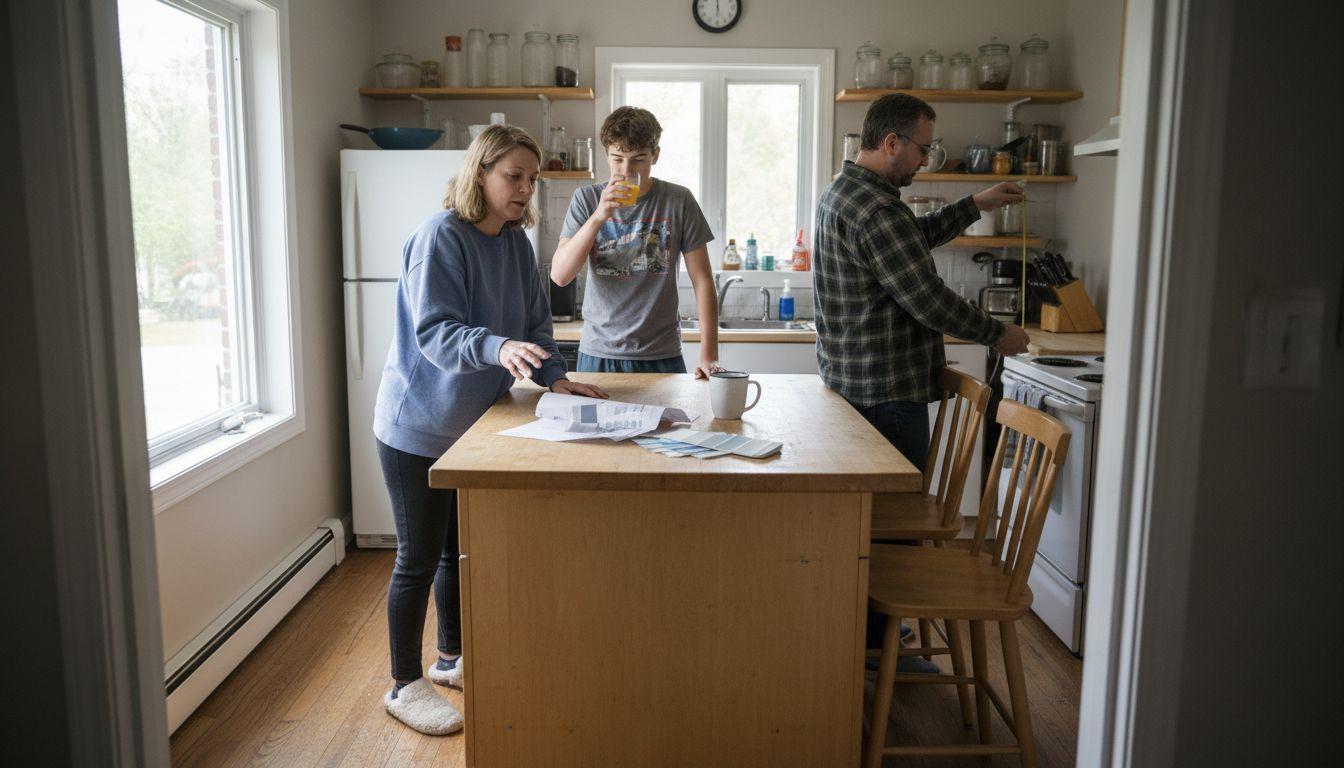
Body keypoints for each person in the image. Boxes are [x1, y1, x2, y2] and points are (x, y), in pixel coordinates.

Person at [372, 124, 608, 735]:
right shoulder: (440, 237)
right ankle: (403, 684)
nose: (526, 189)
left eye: (532, 180)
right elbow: (435, 333)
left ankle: (449, 659)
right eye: (514, 176)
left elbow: (536, 324)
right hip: (417, 427)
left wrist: (555, 378)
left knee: (456, 552)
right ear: (481, 173)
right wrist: (498, 347)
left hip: (468, 427)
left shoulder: (510, 242)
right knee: (417, 560)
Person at [813, 93, 1030, 673]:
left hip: (857, 385)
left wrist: (973, 204)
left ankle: (866, 637)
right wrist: (995, 334)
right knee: (892, 538)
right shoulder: (878, 210)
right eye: (922, 148)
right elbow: (926, 298)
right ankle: (881, 651)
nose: (924, 160)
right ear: (891, 143)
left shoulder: (849, 192)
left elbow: (910, 243)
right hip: (888, 394)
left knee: (874, 528)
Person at [551, 106, 722, 377]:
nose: (626, 170)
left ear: (655, 155)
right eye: (617, 158)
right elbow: (560, 276)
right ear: (606, 154)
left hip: (661, 354)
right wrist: (599, 216)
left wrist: (709, 355)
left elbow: (702, 280)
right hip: (599, 353)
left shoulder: (679, 201)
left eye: (638, 159)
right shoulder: (585, 199)